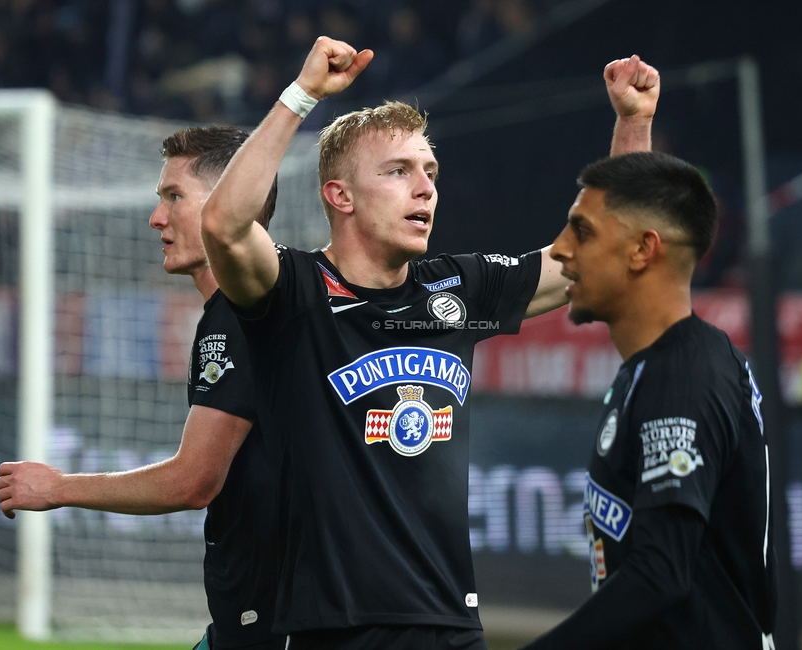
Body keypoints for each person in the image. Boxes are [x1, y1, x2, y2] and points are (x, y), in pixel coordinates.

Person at [199, 36, 658, 649]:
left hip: (450, 626)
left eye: (430, 172)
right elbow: (224, 225)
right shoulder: (293, 293)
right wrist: (302, 94)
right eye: (398, 172)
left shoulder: (459, 287)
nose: (426, 188)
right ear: (340, 195)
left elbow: (599, 256)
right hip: (330, 630)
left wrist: (633, 122)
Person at [0, 127, 284, 650]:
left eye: (174, 197)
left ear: (227, 205)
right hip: (253, 615)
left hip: (276, 623)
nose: (156, 217)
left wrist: (57, 488)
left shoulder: (241, 317)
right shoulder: (260, 304)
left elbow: (193, 482)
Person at [518, 151, 778, 649]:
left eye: (582, 231)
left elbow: (661, 574)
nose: (561, 249)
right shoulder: (657, 368)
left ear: (642, 250)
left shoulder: (683, 379)